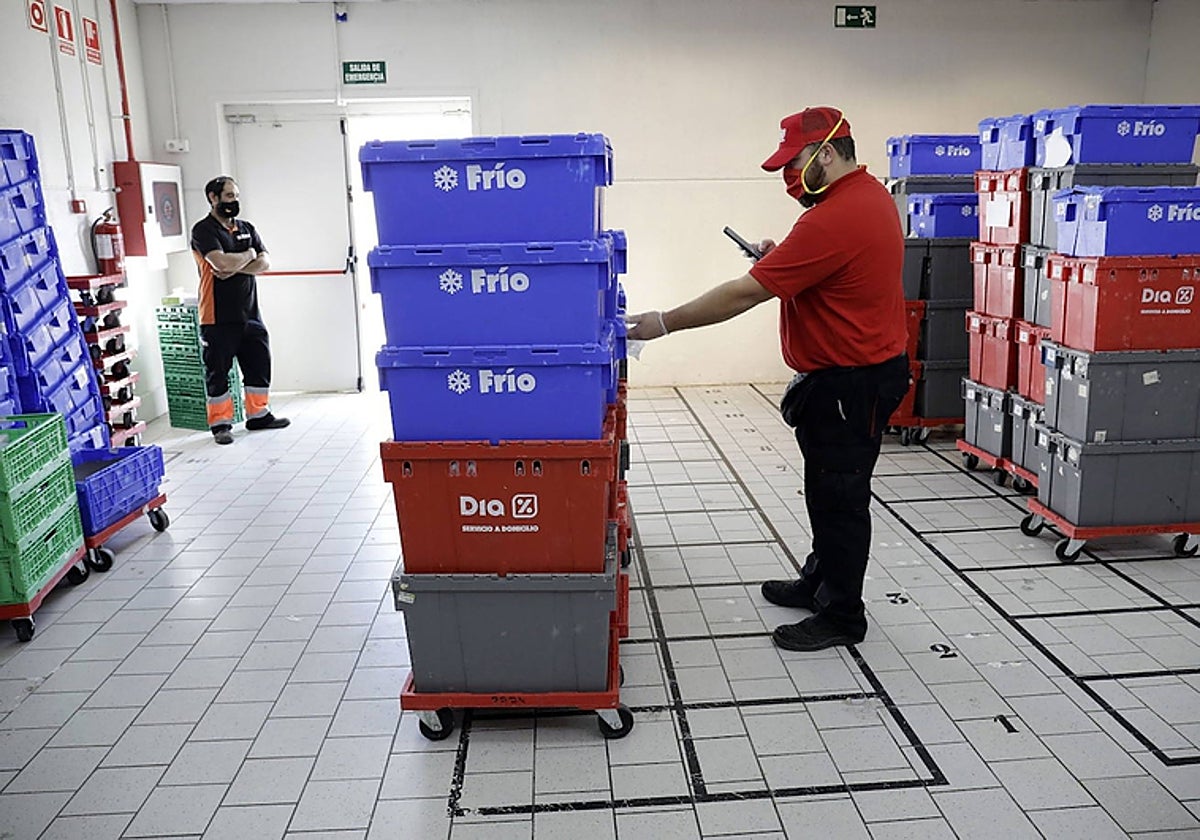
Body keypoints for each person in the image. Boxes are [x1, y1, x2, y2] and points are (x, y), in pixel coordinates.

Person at [626, 107, 909, 651]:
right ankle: (820, 582)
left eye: (794, 162)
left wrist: (663, 322)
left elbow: (744, 294)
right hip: (853, 376)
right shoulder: (865, 197)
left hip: (852, 383)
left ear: (826, 152)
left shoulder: (835, 216)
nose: (788, 177)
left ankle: (843, 614)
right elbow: (836, 274)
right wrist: (782, 258)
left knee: (840, 497)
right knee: (825, 487)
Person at [190, 176, 289, 445]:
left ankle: (258, 415)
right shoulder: (203, 230)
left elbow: (264, 262)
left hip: (250, 313)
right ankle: (221, 424)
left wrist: (237, 265)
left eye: (236, 196)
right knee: (218, 371)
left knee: (259, 363)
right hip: (217, 316)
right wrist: (247, 256)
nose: (235, 201)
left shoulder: (246, 228)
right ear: (213, 197)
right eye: (229, 196)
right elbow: (219, 262)